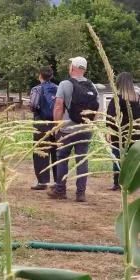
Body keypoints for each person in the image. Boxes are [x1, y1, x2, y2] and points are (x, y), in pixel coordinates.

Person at [48, 57, 99, 202]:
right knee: (82, 160)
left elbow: (58, 106)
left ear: (72, 68)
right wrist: (90, 125)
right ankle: (80, 194)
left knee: (62, 159)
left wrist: (56, 126)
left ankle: (60, 191)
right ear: (84, 69)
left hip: (67, 129)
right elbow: (97, 108)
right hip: (84, 129)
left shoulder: (65, 84)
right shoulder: (92, 86)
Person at [106, 72, 140, 191]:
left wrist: (109, 130)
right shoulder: (136, 98)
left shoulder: (117, 98)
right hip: (134, 134)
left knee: (118, 158)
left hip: (119, 134)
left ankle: (118, 182)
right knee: (133, 159)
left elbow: (110, 116)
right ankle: (131, 182)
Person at [29, 66, 58, 190]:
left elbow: (33, 105)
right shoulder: (57, 88)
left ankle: (42, 182)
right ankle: (58, 181)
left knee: (41, 152)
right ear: (51, 76)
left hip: (41, 122)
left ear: (39, 75)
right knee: (56, 151)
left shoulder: (37, 89)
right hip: (56, 122)